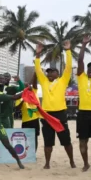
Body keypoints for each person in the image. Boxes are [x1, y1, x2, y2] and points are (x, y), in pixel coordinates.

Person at [35, 41, 75, 169]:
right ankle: (47, 163)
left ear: (58, 74)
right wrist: (38, 54)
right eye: (48, 72)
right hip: (46, 115)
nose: (50, 73)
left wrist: (68, 51)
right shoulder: (44, 82)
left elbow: (68, 68)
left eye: (52, 72)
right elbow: (37, 69)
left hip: (60, 114)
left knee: (66, 141)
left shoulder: (62, 81)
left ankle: (72, 162)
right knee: (48, 141)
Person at [76, 35, 91, 172]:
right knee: (83, 141)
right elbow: (80, 60)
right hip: (83, 114)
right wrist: (83, 45)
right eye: (89, 69)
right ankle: (86, 163)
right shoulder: (81, 78)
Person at [15, 72, 40, 152]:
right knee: (25, 137)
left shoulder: (34, 93)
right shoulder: (20, 96)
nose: (27, 87)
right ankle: (27, 152)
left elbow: (34, 82)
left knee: (35, 137)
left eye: (28, 86)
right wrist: (23, 100)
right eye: (25, 86)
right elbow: (17, 108)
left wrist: (35, 72)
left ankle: (34, 153)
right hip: (25, 121)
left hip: (35, 120)